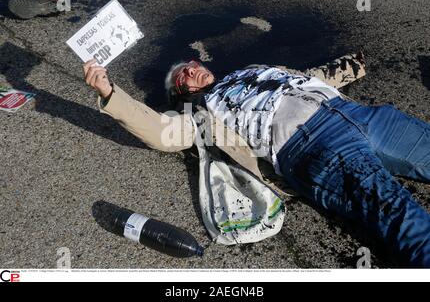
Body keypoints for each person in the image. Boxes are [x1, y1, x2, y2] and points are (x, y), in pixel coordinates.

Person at [83, 53, 430, 268]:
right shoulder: (201, 115)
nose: (193, 67)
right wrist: (111, 93)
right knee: (403, 218)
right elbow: (160, 131)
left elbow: (307, 76)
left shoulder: (247, 72)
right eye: (184, 73)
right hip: (316, 147)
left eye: (193, 64)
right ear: (181, 91)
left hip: (358, 114)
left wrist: (350, 65)